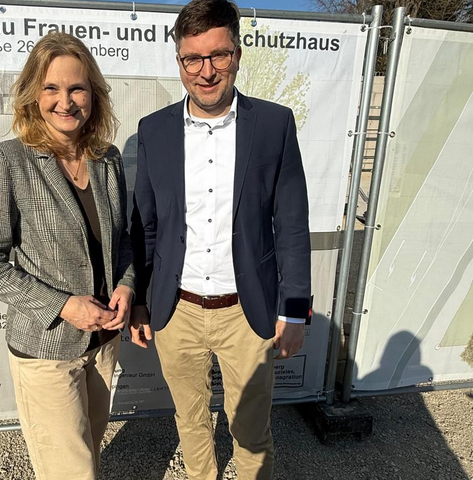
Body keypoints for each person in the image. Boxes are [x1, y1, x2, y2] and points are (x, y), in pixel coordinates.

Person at [129, 0, 311, 479]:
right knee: (190, 423)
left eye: (219, 55)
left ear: (238, 54)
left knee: (251, 431)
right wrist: (142, 301)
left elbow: (291, 224)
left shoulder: (274, 125)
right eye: (193, 58)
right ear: (179, 61)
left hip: (246, 313)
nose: (206, 71)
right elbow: (147, 225)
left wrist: (294, 311)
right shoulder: (153, 130)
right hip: (177, 310)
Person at [0, 32, 134, 480]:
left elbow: (123, 240)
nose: (66, 101)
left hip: (103, 343)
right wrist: (63, 305)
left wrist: (127, 285)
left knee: (89, 454)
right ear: (32, 95)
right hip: (46, 349)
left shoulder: (107, 159)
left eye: (77, 88)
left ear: (93, 94)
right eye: (51, 88)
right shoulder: (8, 161)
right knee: (70, 472)